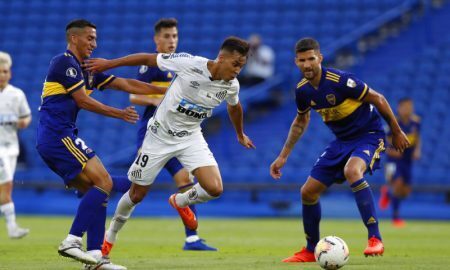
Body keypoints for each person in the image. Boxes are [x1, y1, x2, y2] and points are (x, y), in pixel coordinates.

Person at [84, 36, 255, 256]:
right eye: (235, 64)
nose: (238, 70)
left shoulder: (231, 85)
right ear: (221, 58)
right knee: (136, 194)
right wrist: (108, 63)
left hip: (191, 137)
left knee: (215, 188)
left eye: (242, 66)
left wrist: (240, 134)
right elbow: (147, 58)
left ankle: (180, 201)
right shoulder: (190, 63)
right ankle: (110, 237)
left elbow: (235, 107)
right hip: (159, 136)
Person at [36, 19, 165, 269]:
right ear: (74, 38)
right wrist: (119, 113)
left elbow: (126, 84)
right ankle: (72, 240)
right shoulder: (64, 62)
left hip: (57, 137)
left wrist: (164, 91)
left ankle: (96, 258)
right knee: (104, 182)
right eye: (90, 38)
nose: (94, 44)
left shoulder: (87, 70)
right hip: (57, 135)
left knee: (98, 189)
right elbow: (82, 101)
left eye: (95, 39)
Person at [269, 38, 410, 263]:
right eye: (302, 60)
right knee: (307, 192)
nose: (307, 65)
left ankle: (375, 238)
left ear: (320, 58)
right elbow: (300, 121)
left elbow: (378, 98)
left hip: (369, 136)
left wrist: (396, 130)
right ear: (296, 62)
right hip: (341, 141)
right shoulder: (303, 91)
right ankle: (310, 249)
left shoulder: (341, 81)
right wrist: (283, 156)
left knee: (352, 171)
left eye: (311, 59)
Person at [128, 18, 216, 251]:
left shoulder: (181, 66)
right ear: (156, 39)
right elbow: (133, 96)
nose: (171, 40)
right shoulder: (152, 66)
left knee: (185, 181)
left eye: (175, 36)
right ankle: (100, 186)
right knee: (137, 189)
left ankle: (192, 238)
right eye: (167, 36)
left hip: (177, 135)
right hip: (152, 133)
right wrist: (160, 99)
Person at [0, 51, 32, 239]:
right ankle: (12, 227)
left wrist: (19, 122)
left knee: (6, 189)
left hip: (10, 148)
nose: (2, 75)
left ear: (10, 73)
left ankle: (12, 227)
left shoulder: (16, 94)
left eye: (5, 71)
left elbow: (26, 117)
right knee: (6, 187)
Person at [379, 98, 421, 227]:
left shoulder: (416, 122)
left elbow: (418, 138)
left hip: (407, 161)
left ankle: (387, 192)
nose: (408, 109)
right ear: (399, 108)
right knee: (398, 183)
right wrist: (392, 151)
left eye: (410, 106)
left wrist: (417, 150)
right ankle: (396, 217)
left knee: (406, 191)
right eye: (405, 107)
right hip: (393, 161)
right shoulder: (393, 123)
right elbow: (383, 143)